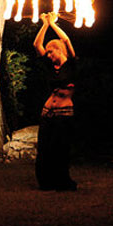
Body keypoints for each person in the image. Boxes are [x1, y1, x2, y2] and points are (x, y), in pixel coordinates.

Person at [33, 12, 78, 191]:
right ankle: (45, 181)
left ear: (59, 50)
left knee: (60, 148)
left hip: (64, 114)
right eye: (48, 52)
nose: (48, 55)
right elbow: (37, 44)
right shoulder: (50, 66)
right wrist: (45, 23)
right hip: (47, 113)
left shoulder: (72, 64)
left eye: (51, 52)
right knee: (44, 148)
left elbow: (66, 41)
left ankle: (61, 181)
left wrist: (54, 24)